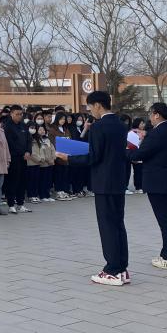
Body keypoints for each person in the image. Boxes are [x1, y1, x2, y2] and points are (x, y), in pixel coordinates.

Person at [56, 90, 130, 286]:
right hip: (118, 181)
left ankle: (112, 270)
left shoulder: (99, 127)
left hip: (104, 182)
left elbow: (93, 156)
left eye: (90, 108)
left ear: (98, 105)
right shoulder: (121, 125)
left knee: (107, 226)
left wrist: (68, 158)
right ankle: (122, 268)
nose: (90, 112)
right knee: (118, 224)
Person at [126, 103, 167, 271]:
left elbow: (139, 154)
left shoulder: (158, 133)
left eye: (150, 114)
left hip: (160, 183)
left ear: (157, 115)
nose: (149, 118)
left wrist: (126, 150)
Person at [2, 105, 30, 214]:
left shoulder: (23, 125)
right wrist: (22, 153)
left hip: (24, 158)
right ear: (11, 114)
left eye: (21, 114)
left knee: (22, 181)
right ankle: (11, 204)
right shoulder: (7, 126)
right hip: (14, 158)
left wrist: (28, 151)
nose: (19, 116)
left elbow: (29, 140)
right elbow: (10, 143)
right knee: (13, 181)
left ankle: (20, 203)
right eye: (17, 114)